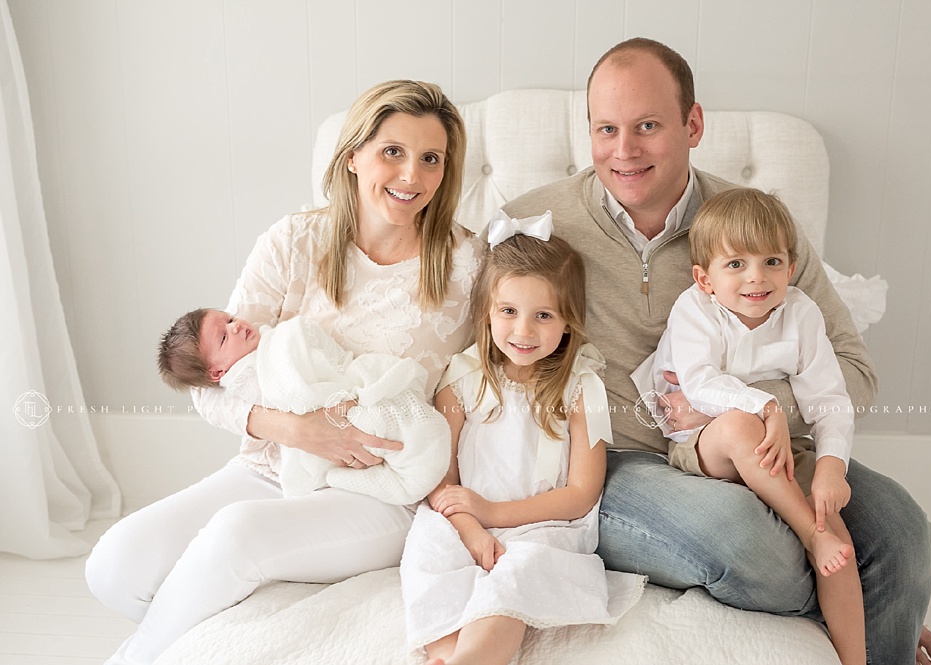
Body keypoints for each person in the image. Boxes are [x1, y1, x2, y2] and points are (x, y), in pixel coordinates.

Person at [497, 38, 931, 665]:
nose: (623, 151)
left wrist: (747, 411)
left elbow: (853, 370)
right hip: (616, 463)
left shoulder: (758, 230)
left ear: (693, 124)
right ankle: (860, 609)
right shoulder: (535, 224)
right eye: (606, 129)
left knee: (901, 531)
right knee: (747, 545)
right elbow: (484, 355)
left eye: (648, 126)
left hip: (763, 447)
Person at [86, 80, 481, 664]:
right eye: (392, 151)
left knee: (235, 535)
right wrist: (300, 431)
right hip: (272, 469)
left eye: (431, 159)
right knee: (112, 569)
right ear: (354, 156)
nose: (412, 175)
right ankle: (229, 624)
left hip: (380, 487)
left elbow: (487, 377)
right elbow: (212, 385)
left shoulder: (469, 264)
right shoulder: (294, 241)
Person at [631, 187, 867, 664]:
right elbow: (697, 386)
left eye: (772, 262)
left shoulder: (800, 313)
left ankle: (854, 658)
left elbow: (830, 399)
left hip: (777, 449)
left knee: (839, 539)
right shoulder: (695, 310)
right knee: (740, 425)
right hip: (701, 443)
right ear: (705, 278)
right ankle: (808, 532)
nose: (756, 277)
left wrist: (830, 467)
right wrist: (768, 407)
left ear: (791, 268)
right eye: (736, 264)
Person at [400, 222, 645, 665]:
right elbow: (439, 475)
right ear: (487, 314)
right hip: (460, 518)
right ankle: (444, 652)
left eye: (544, 315)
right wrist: (473, 529)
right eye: (508, 311)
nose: (524, 330)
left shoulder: (581, 388)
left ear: (569, 322)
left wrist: (495, 515)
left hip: (542, 524)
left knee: (518, 575)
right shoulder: (461, 380)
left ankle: (472, 657)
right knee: (428, 553)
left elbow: (581, 494)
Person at [153, 308, 450, 505]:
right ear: (218, 373)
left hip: (347, 389)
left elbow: (325, 360)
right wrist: (299, 425)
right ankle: (408, 465)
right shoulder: (243, 378)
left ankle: (414, 451)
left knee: (412, 423)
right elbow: (293, 396)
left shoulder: (276, 338)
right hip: (327, 416)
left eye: (230, 319)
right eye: (223, 336)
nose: (236, 326)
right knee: (400, 436)